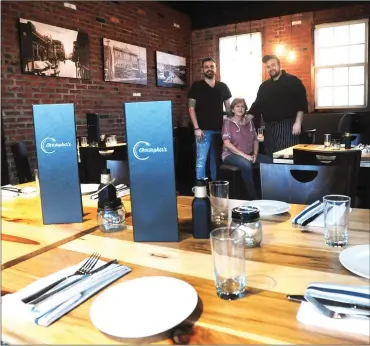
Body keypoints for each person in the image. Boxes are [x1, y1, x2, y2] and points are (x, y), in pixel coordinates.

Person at [248, 54, 308, 157]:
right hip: (270, 128)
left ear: (279, 65)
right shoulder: (264, 86)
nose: (271, 68)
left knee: (287, 158)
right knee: (272, 158)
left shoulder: (293, 81)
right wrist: (243, 119)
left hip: (288, 127)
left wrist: (298, 122)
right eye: (268, 66)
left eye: (273, 65)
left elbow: (301, 103)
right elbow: (257, 106)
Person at [188, 57, 232, 181]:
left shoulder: (223, 86)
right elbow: (191, 108)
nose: (209, 69)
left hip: (219, 130)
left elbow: (228, 109)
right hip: (202, 130)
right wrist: (196, 128)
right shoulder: (196, 86)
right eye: (206, 67)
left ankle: (215, 188)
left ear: (215, 68)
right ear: (202, 69)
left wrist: (232, 126)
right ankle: (200, 189)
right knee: (201, 159)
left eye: (212, 66)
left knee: (216, 160)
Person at [222, 98, 272, 200]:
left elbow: (255, 139)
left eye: (242, 106)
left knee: (270, 161)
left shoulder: (249, 122)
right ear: (232, 109)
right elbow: (227, 143)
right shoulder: (228, 123)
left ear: (245, 109)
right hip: (230, 155)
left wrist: (255, 154)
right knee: (246, 164)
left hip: (249, 154)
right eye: (237, 106)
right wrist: (245, 156)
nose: (240, 109)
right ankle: (253, 197)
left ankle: (269, 193)